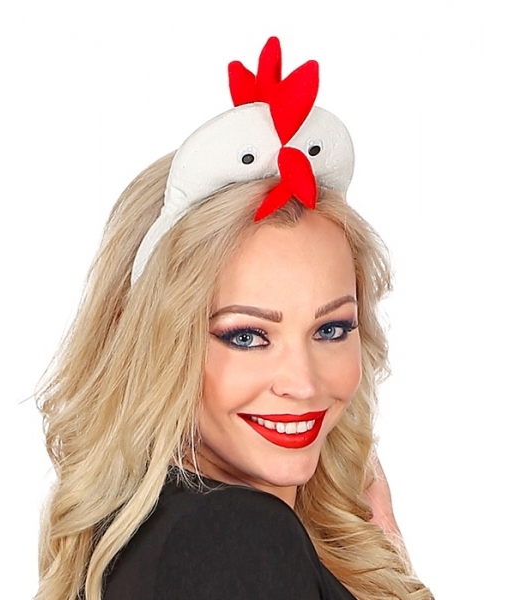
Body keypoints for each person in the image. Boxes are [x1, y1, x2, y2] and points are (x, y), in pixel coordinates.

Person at [35, 38, 433, 600]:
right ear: (156, 346)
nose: (303, 383)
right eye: (247, 336)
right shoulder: (235, 538)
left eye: (330, 329)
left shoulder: (158, 534)